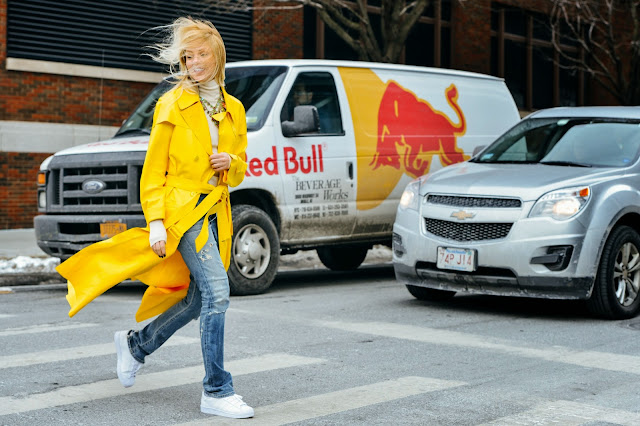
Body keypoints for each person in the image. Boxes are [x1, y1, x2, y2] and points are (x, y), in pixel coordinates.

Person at [57, 17, 253, 419]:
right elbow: (154, 170)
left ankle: (136, 345)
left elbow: (240, 168)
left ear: (217, 54)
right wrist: (159, 221)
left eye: (202, 54)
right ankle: (217, 389)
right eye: (188, 55)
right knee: (218, 294)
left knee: (199, 300)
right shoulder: (172, 104)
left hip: (218, 211)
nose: (195, 62)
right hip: (182, 212)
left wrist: (229, 161)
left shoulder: (233, 109)